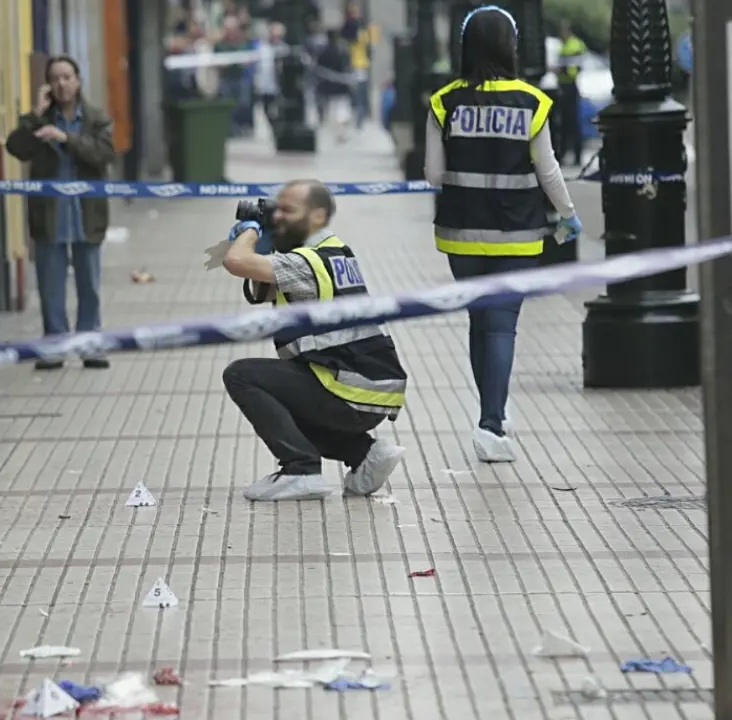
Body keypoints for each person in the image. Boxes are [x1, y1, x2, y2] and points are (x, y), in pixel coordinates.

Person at [424, 5, 583, 462]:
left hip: (460, 232)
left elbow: (433, 175)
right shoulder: (532, 101)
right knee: (501, 326)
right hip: (516, 232)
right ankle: (491, 425)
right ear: (510, 46)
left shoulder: (444, 102)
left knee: (480, 320)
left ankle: (490, 413)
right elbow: (548, 170)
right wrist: (568, 214)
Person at [218, 180, 409, 502]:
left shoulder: (305, 262)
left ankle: (300, 470)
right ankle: (364, 454)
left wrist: (250, 231)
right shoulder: (333, 251)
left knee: (242, 375)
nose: (278, 217)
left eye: (288, 211)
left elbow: (235, 261)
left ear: (318, 216)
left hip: (348, 389)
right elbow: (265, 290)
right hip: (366, 385)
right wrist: (266, 247)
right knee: (283, 394)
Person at [4, 55, 116, 371]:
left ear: (78, 81)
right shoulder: (39, 122)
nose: (62, 84)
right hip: (50, 216)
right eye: (55, 78)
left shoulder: (96, 119)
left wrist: (65, 139)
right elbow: (16, 147)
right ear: (48, 85)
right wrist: (35, 115)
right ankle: (55, 345)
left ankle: (89, 343)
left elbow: (104, 153)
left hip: (86, 215)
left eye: (67, 77)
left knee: (89, 284)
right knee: (50, 285)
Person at [553, 21, 587, 166]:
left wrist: (560, 70)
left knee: (572, 122)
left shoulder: (574, 45)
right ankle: (563, 155)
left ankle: (577, 156)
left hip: (570, 86)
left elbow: (573, 68)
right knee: (564, 122)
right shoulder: (564, 45)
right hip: (563, 85)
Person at [340, 1, 378, 128]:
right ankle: (359, 118)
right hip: (354, 64)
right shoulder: (351, 27)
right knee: (357, 93)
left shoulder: (363, 28)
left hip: (362, 63)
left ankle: (362, 117)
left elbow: (370, 46)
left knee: (362, 92)